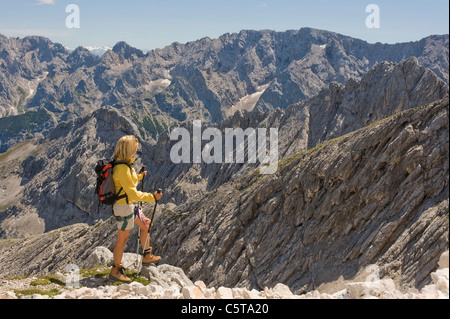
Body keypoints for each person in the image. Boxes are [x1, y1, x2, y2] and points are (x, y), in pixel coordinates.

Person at [109, 135, 163, 283]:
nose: (136, 150)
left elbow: (129, 181)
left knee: (146, 224)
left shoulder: (125, 165)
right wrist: (152, 197)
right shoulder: (122, 168)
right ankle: (116, 269)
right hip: (124, 207)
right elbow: (132, 193)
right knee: (122, 239)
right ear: (128, 149)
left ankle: (146, 255)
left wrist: (139, 177)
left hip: (129, 205)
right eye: (134, 147)